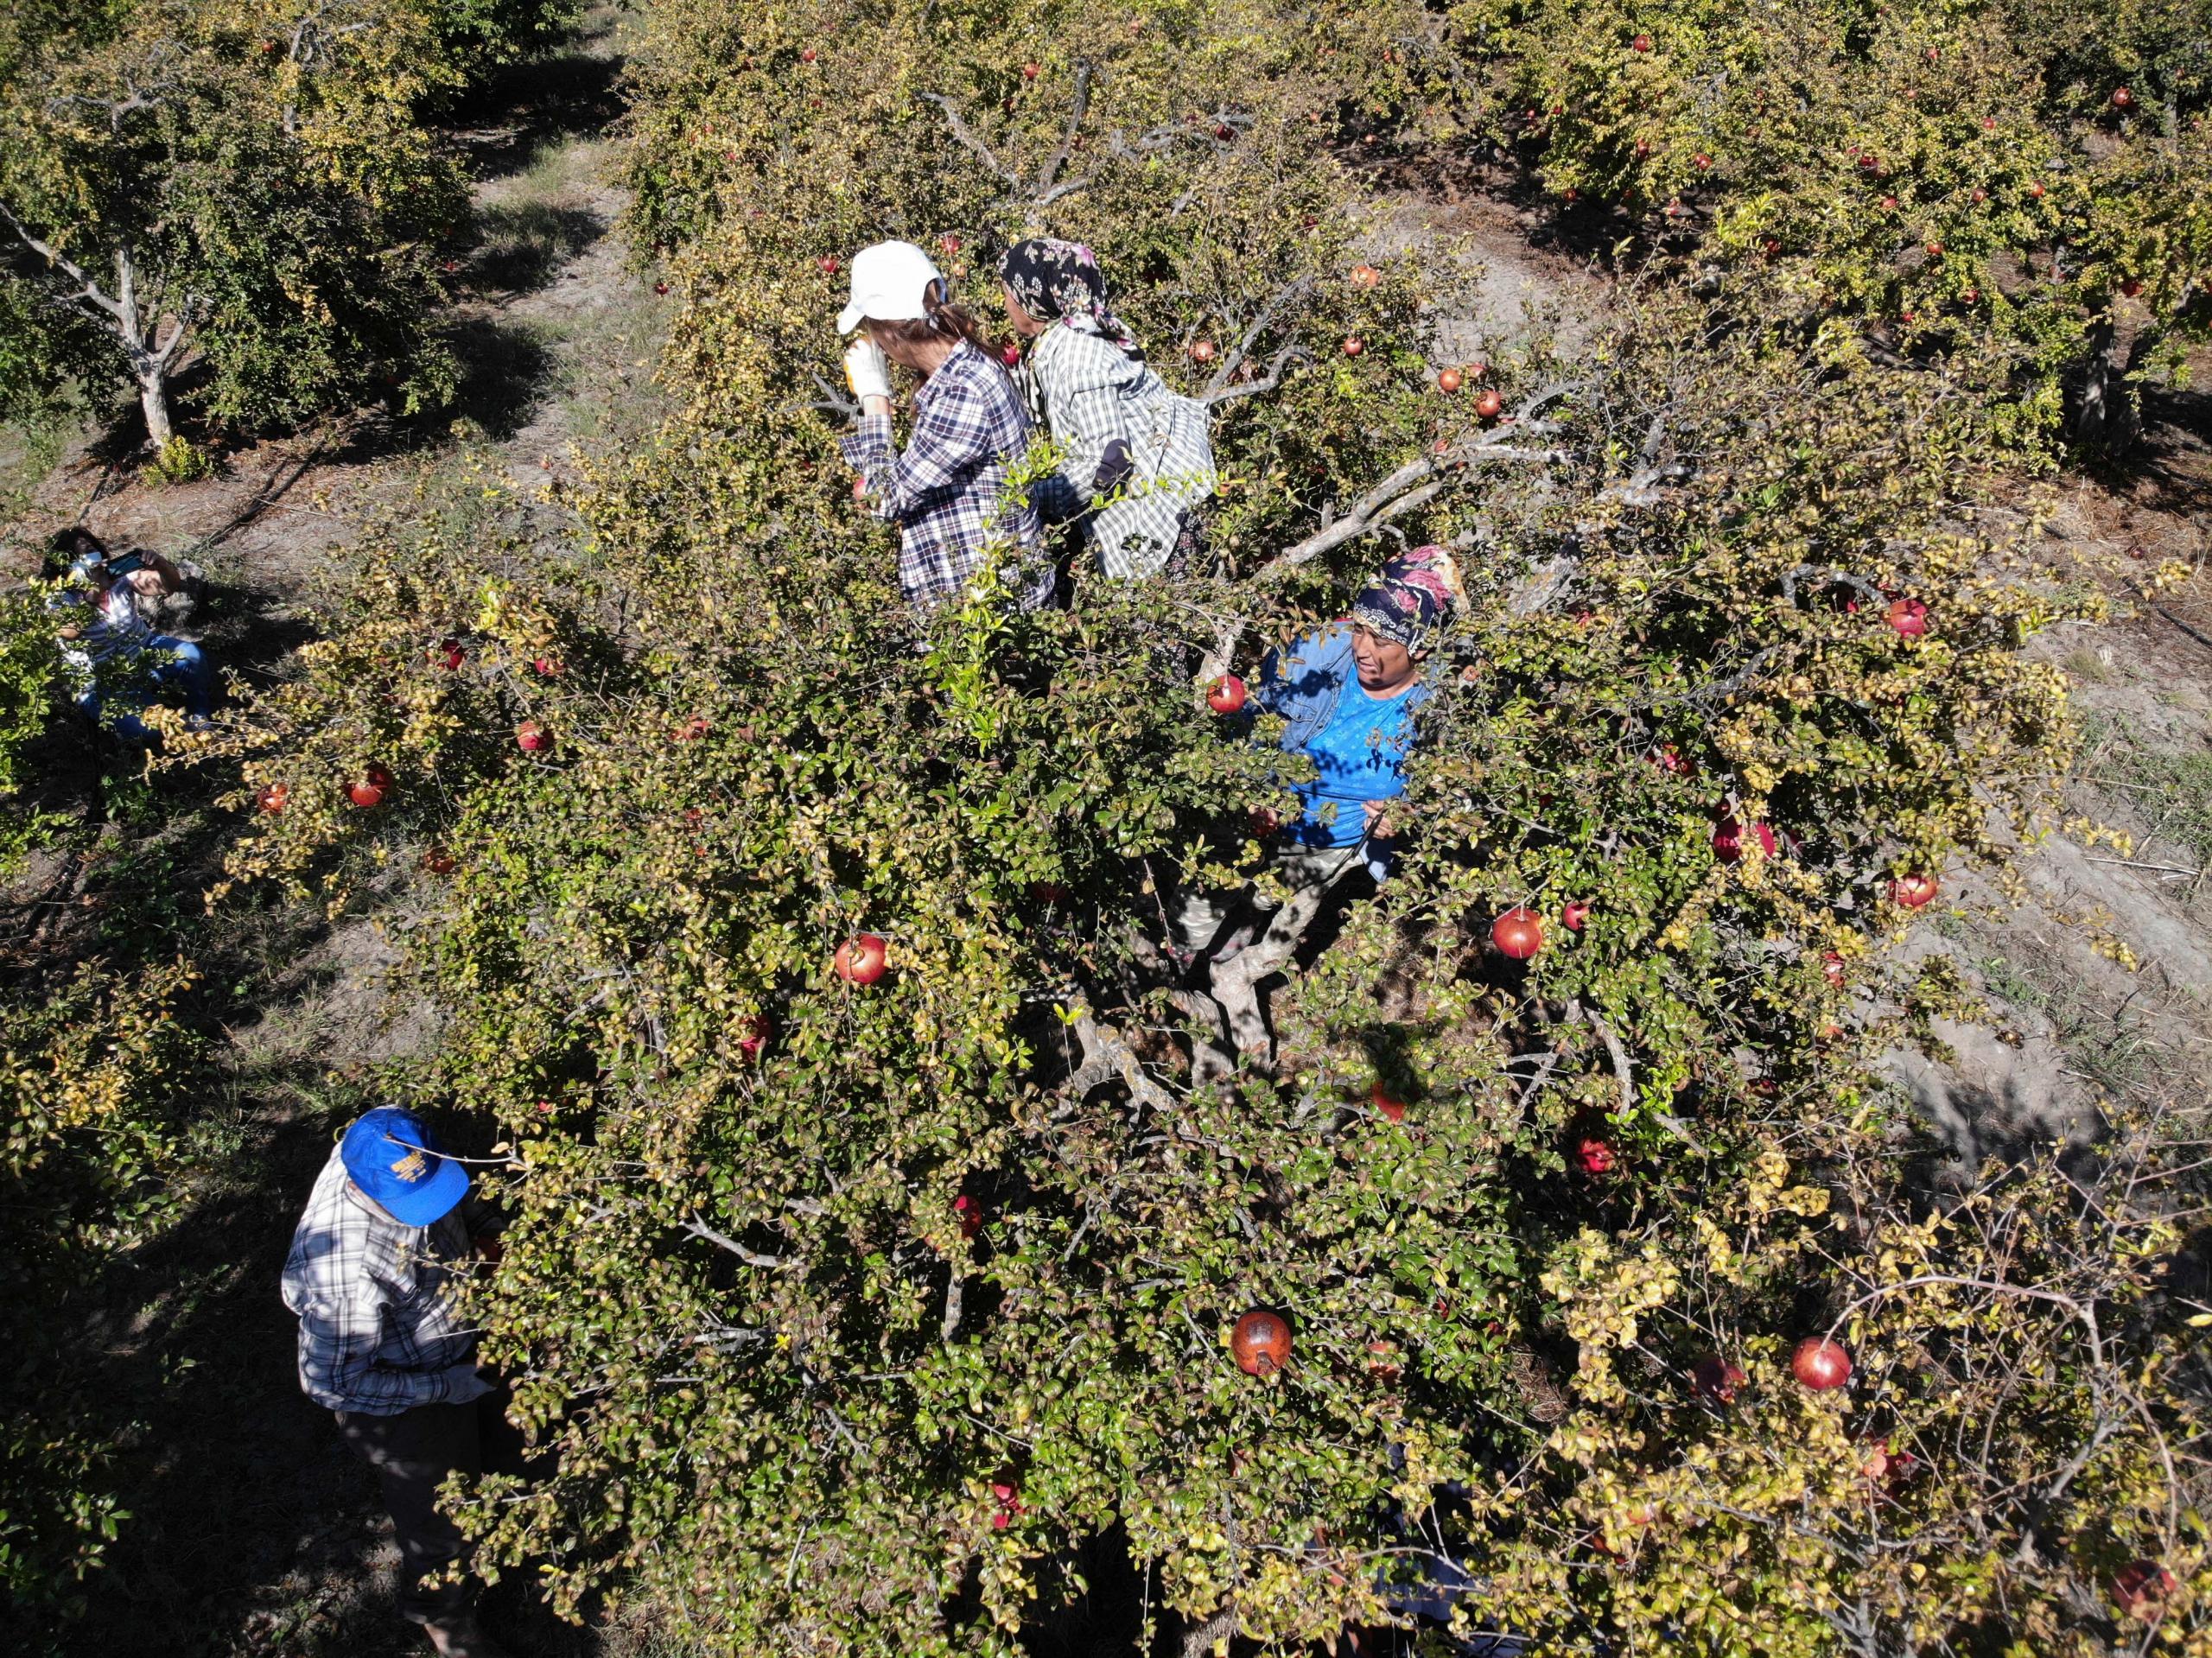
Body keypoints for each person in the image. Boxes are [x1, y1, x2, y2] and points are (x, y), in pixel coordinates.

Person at [281, 1108, 514, 1658]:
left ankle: (513, 1528)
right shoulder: (343, 1271)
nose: (430, 1210)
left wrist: (493, 1237)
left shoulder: (392, 1145)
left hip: (465, 1337)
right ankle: (451, 1630)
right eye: (415, 1207)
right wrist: (442, 1388)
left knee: (504, 1447)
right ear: (366, 1190)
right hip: (404, 1396)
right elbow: (331, 1382)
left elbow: (460, 1198)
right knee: (441, 1521)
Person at [1171, 545, 1465, 969]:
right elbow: (1250, 719)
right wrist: (1251, 788)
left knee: (1267, 897)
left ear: (1419, 650)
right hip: (1260, 809)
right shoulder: (1316, 651)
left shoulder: (1445, 704)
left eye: (1381, 640)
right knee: (1206, 892)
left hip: (1330, 838)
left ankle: (1236, 939)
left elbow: (1458, 786)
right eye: (1360, 629)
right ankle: (1184, 954)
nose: (1362, 647)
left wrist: (1409, 812)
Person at [836, 240, 1052, 612]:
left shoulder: (959, 393)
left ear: (888, 333)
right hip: (1001, 596)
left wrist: (875, 400)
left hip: (985, 617)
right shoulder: (968, 365)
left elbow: (881, 499)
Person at [998, 237, 1216, 580]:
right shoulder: (1079, 332)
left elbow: (1112, 462)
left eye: (1009, 291)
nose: (1006, 303)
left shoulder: (1074, 357)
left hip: (1163, 523)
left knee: (1165, 628)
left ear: (1032, 296)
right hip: (1178, 497)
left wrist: (1030, 498)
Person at [44, 528, 213, 739]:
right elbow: (69, 632)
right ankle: (173, 728)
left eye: (91, 549)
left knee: (190, 655)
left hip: (143, 652)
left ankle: (201, 717)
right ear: (68, 564)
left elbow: (168, 585)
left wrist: (160, 564)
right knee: (147, 729)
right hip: (100, 680)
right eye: (82, 554)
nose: (91, 557)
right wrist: (95, 591)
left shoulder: (117, 575)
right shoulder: (59, 597)